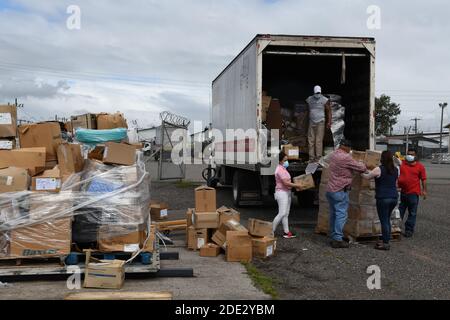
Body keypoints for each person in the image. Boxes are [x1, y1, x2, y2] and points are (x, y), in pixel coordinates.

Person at [326, 139, 367, 248]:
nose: (350, 150)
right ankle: (338, 239)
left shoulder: (334, 154)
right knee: (341, 214)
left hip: (330, 189)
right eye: (350, 148)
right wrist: (363, 163)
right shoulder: (346, 157)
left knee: (334, 213)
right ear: (347, 147)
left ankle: (333, 236)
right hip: (340, 190)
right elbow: (361, 168)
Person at [362, 151, 399, 250]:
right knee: (387, 219)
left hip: (383, 198)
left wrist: (361, 171)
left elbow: (367, 177)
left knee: (384, 221)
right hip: (394, 197)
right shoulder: (396, 169)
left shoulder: (379, 169)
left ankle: (385, 243)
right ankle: (385, 239)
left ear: (382, 158)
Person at [273, 151, 305, 239]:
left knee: (286, 214)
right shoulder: (279, 170)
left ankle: (286, 232)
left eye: (287, 160)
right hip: (282, 193)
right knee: (282, 213)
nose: (287, 162)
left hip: (286, 192)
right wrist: (298, 185)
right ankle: (271, 231)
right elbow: (286, 183)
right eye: (285, 160)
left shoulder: (283, 168)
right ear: (280, 161)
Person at [398, 149, 427, 238]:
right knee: (399, 212)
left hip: (413, 193)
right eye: (408, 154)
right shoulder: (401, 163)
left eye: (412, 154)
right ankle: (396, 228)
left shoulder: (420, 167)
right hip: (402, 192)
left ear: (415, 156)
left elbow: (423, 179)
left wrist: (424, 190)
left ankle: (409, 230)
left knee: (412, 213)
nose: (409, 156)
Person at [306, 85, 332, 162]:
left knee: (318, 140)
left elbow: (329, 111)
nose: (317, 94)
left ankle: (318, 158)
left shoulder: (324, 100)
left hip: (320, 121)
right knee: (310, 140)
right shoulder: (309, 99)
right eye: (316, 93)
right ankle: (311, 158)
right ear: (313, 92)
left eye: (318, 93)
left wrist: (329, 122)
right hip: (312, 121)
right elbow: (308, 110)